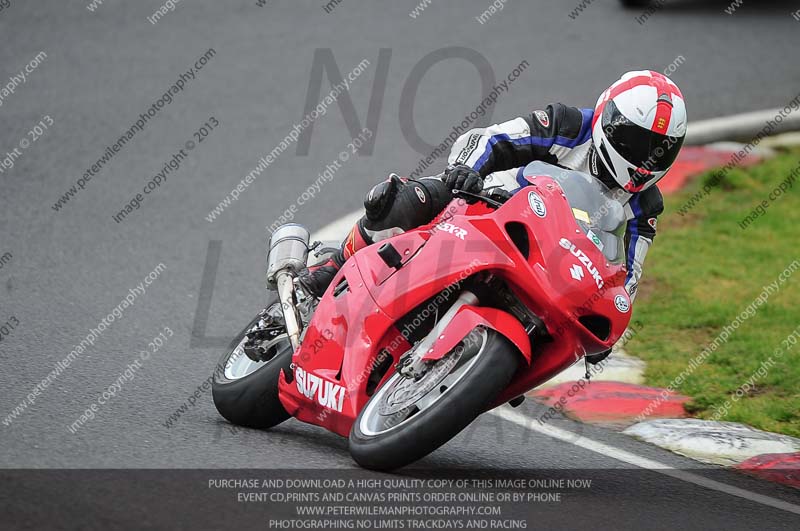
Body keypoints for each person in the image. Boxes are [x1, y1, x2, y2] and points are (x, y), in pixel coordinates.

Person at [299, 70, 687, 307]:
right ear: (609, 121)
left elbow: (627, 278)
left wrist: (609, 326)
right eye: (637, 143)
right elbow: (492, 138)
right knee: (407, 200)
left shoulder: (645, 207)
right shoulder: (567, 126)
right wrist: (465, 171)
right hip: (483, 208)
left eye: (660, 150)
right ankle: (334, 265)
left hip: (544, 269)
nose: (645, 159)